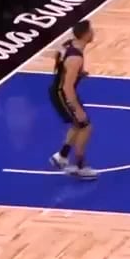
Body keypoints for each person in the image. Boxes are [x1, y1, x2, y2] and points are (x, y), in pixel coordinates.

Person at [49, 21, 99, 179]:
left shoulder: (71, 45)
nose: (93, 33)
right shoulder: (75, 58)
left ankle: (61, 157)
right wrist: (76, 108)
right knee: (86, 126)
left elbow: (59, 56)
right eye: (91, 30)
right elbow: (67, 87)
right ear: (85, 34)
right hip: (63, 93)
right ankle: (79, 166)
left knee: (78, 125)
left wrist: (77, 73)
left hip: (60, 90)